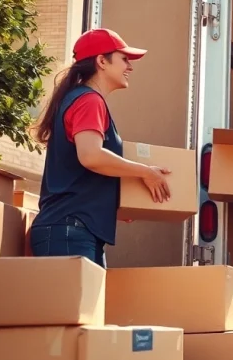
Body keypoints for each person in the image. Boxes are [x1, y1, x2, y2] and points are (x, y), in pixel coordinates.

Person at [29, 29, 171, 267]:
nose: (130, 67)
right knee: (75, 306)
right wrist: (146, 172)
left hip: (75, 230)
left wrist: (109, 206)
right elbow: (91, 156)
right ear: (102, 61)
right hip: (69, 230)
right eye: (124, 59)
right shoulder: (89, 101)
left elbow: (80, 171)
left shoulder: (83, 99)